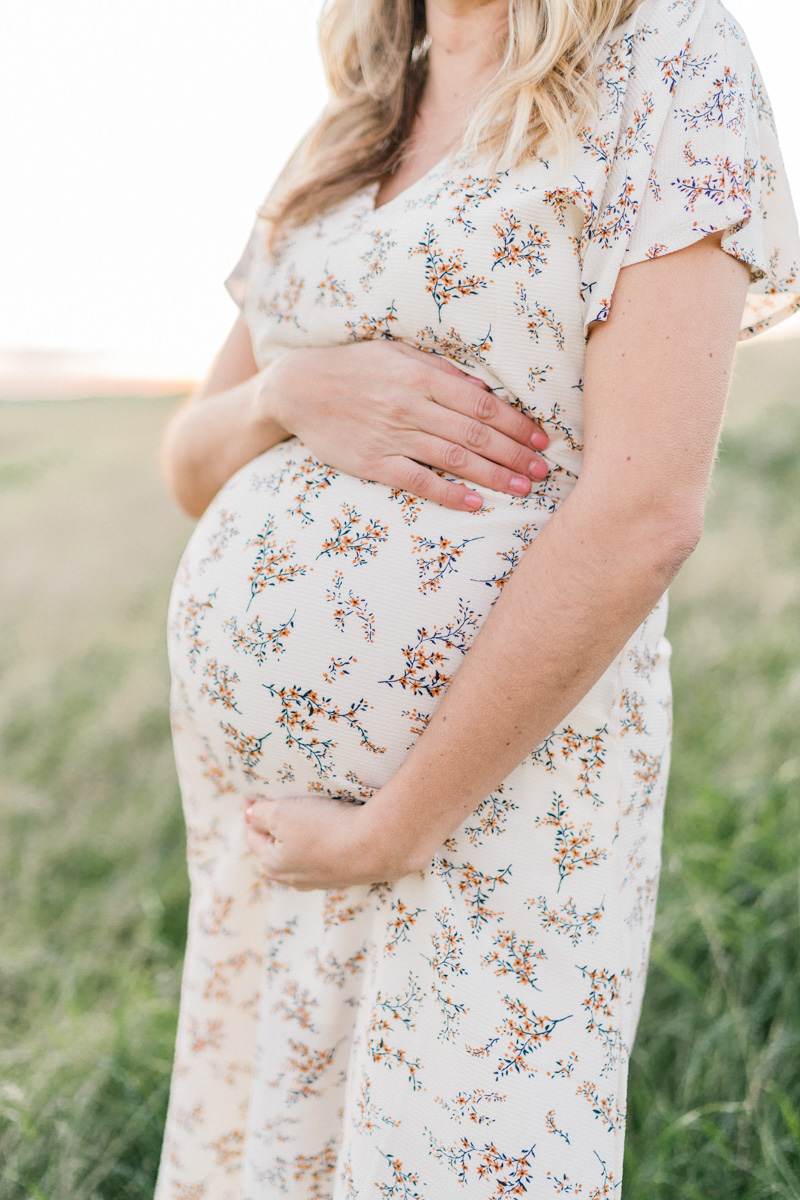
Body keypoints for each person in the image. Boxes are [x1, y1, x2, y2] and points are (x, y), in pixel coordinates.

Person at [155, 0, 800, 1195]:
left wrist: (396, 825)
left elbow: (642, 512)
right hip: (270, 834)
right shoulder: (346, 135)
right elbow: (191, 466)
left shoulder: (661, 62)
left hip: (490, 808)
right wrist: (283, 392)